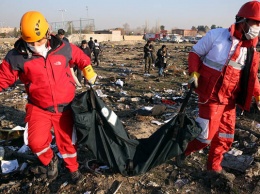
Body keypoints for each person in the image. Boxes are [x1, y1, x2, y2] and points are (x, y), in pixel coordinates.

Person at [0, 11, 97, 183]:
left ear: (48, 31)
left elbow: (81, 57)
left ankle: (73, 170)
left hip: (65, 108)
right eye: (31, 42)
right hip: (39, 107)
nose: (36, 44)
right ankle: (50, 161)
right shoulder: (16, 56)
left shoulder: (63, 47)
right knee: (35, 141)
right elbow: (4, 77)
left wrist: (88, 70)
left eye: (39, 40)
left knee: (68, 143)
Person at [177, 1, 260, 173]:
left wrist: (258, 95)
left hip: (230, 101)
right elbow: (195, 53)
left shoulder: (250, 50)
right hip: (211, 96)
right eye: (256, 23)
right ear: (243, 20)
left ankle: (213, 168)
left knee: (225, 137)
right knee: (205, 137)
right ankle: (183, 151)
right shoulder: (217, 36)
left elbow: (251, 78)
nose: (258, 28)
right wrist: (194, 73)